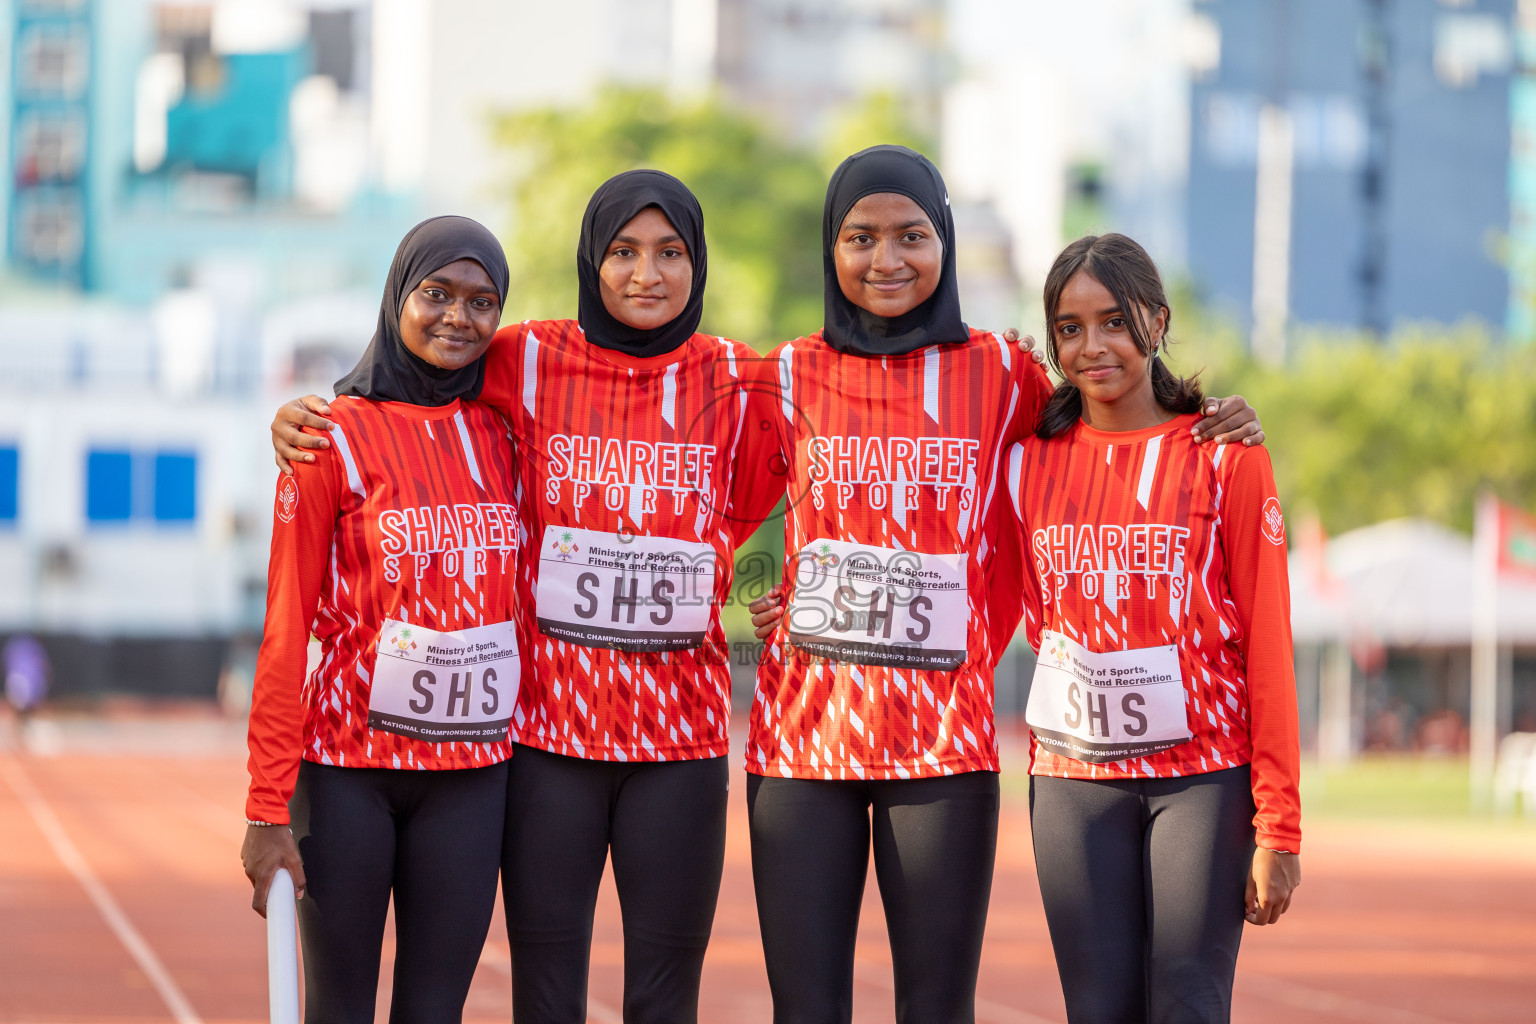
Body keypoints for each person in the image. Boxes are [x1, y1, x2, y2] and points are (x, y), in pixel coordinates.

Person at [742, 146, 1265, 1024]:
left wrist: (1207, 416)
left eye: (912, 236)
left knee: (939, 1008)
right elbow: (699, 502)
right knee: (805, 1009)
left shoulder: (1002, 372)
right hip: (803, 740)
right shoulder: (783, 375)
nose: (887, 259)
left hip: (942, 746)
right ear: (831, 250)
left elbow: (1101, 430)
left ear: (944, 243)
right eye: (861, 238)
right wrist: (757, 592)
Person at [270, 171, 779, 1024]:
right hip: (548, 741)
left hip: (681, 741)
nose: (645, 275)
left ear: (699, 265)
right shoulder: (525, 356)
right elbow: (421, 375)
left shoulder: (741, 377)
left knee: (665, 994)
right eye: (622, 252)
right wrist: (304, 419)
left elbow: (838, 463)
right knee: (545, 994)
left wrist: (769, 568)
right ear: (592, 260)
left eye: (669, 253)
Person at [1006, 232, 1301, 1023]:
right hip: (1072, 784)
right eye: (1069, 328)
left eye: (1113, 321)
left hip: (1201, 778)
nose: (1092, 346)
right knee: (1097, 1011)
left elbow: (1267, 643)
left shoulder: (1225, 455)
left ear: (1157, 320)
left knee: (1187, 1006)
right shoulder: (1025, 460)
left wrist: (1280, 825)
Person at [242, 216, 520, 1024]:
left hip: (471, 779)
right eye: (435, 294)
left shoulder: (507, 432)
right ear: (398, 294)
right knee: (340, 1011)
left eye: (481, 302)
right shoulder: (328, 438)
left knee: (435, 1013)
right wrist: (265, 806)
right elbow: (286, 628)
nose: (457, 319)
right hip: (346, 778)